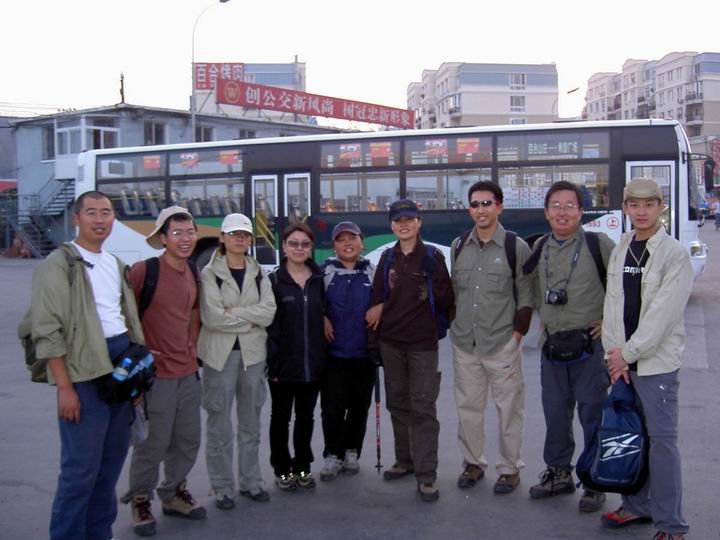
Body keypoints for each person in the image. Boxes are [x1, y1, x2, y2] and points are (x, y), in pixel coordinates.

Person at [29, 191, 145, 540]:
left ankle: (99, 533)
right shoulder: (57, 265)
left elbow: (126, 319)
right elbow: (47, 331)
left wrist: (136, 379)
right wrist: (65, 388)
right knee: (80, 471)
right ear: (76, 218)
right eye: (91, 212)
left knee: (109, 467)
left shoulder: (115, 263)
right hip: (83, 372)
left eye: (106, 212)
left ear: (113, 219)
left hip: (120, 367)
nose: (99, 219)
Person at [600, 178, 693, 540]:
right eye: (634, 205)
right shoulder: (622, 247)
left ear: (660, 207)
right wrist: (613, 353)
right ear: (625, 208)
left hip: (656, 367)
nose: (641, 212)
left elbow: (662, 316)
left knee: (662, 444)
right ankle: (637, 506)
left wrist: (626, 354)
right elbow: (612, 306)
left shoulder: (674, 254)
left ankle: (671, 525)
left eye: (649, 204)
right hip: (623, 364)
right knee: (631, 437)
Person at [524, 180, 614, 512]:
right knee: (555, 412)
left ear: (581, 211)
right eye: (556, 206)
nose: (562, 212)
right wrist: (543, 317)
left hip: (590, 345)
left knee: (593, 412)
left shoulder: (598, 244)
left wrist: (608, 322)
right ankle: (559, 473)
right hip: (553, 345)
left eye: (570, 206)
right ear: (546, 212)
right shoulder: (539, 247)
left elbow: (622, 287)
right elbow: (532, 290)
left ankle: (594, 480)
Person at [121, 206, 205, 536]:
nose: (185, 239)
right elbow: (122, 311)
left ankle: (173, 493)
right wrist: (137, 349)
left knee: (187, 439)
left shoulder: (193, 271)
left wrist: (192, 342)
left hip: (187, 370)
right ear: (163, 238)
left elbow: (194, 309)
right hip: (156, 375)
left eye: (190, 232)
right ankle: (140, 501)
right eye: (177, 233)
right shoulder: (145, 270)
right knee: (153, 443)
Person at [367, 199, 454, 502]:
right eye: (398, 221)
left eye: (409, 219)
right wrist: (374, 342)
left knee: (423, 408)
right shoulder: (387, 257)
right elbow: (376, 300)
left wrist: (435, 280)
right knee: (398, 404)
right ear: (392, 226)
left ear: (419, 222)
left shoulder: (433, 256)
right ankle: (405, 460)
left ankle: (426, 474)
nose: (404, 225)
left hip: (422, 345)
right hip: (391, 342)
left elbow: (447, 301)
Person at [450, 181, 533, 494]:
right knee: (468, 410)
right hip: (465, 344)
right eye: (475, 204)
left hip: (501, 344)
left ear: (499, 206)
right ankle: (473, 464)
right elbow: (455, 293)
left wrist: (516, 337)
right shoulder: (459, 245)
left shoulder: (515, 246)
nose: (481, 210)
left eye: (487, 203)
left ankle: (510, 469)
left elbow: (526, 296)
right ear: (469, 209)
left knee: (510, 410)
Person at [197, 213, 276, 509]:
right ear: (222, 238)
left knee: (250, 424)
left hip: (253, 356)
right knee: (219, 425)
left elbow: (268, 312)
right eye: (234, 234)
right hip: (220, 357)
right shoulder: (209, 274)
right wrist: (251, 319)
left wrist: (234, 313)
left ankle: (251, 481)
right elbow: (212, 317)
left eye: (244, 235)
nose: (240, 239)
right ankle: (222, 487)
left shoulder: (259, 272)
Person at [266, 222, 326, 492]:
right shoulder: (273, 281)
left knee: (306, 418)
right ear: (284, 247)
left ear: (311, 248)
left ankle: (303, 466)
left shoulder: (319, 279)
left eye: (305, 244)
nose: (299, 248)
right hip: (283, 366)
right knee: (280, 419)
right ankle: (282, 468)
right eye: (293, 243)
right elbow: (269, 327)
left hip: (312, 365)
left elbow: (325, 316)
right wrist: (273, 365)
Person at [319, 221, 376, 481]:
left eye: (352, 238)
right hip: (333, 356)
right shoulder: (323, 273)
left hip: (364, 355)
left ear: (361, 242)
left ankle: (352, 451)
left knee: (358, 408)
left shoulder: (372, 272)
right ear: (334, 246)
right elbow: (311, 303)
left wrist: (382, 307)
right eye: (341, 240)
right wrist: (321, 317)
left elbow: (387, 300)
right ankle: (333, 454)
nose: (347, 244)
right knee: (332, 409)